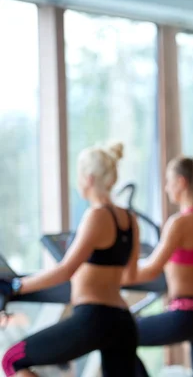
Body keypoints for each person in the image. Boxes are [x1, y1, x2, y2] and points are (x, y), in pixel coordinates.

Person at [0, 142, 141, 376]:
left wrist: (15, 286)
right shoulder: (130, 219)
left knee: (12, 359)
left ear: (89, 178)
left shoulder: (96, 215)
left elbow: (66, 270)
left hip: (94, 318)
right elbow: (131, 275)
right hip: (123, 321)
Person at [122, 155, 193, 377]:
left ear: (181, 182)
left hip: (187, 312)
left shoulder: (179, 223)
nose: (166, 188)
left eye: (168, 181)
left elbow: (151, 269)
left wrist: (109, 277)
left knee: (118, 335)